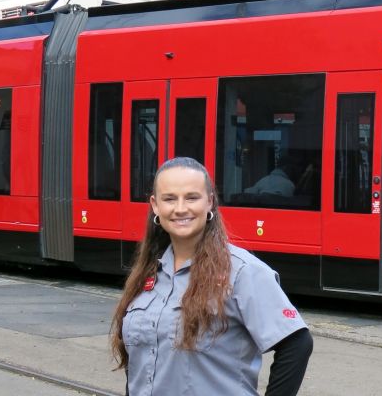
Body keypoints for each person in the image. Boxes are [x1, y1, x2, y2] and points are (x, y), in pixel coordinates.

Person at [110, 157, 312, 396]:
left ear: (210, 202)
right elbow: (141, 365)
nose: (180, 208)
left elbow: (297, 344)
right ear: (155, 205)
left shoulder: (242, 272)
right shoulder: (147, 273)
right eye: (169, 199)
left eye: (192, 197)